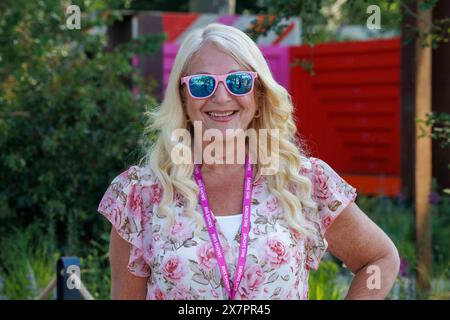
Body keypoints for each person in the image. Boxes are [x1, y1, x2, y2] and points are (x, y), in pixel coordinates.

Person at [98, 23, 400, 300]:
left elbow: (380, 259)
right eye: (203, 84)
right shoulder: (141, 195)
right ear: (184, 98)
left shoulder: (302, 182)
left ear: (257, 95)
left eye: (238, 82)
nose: (221, 97)